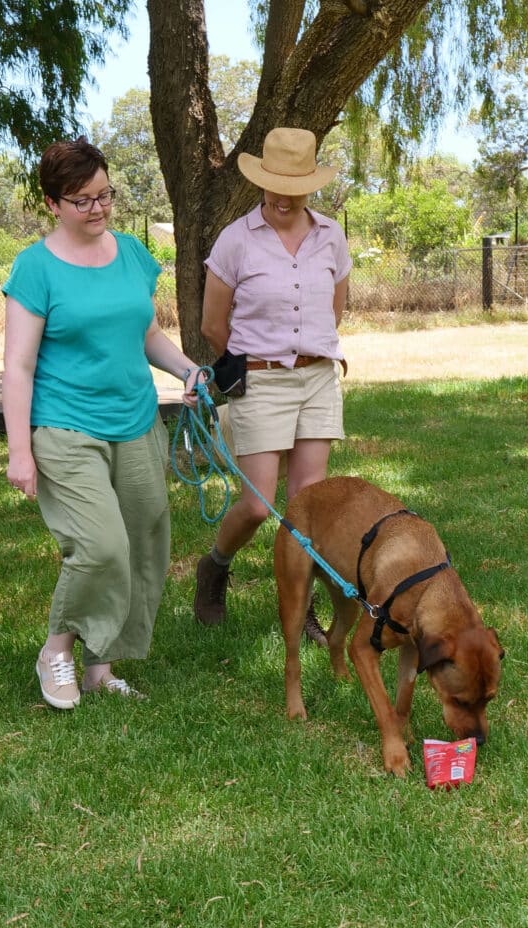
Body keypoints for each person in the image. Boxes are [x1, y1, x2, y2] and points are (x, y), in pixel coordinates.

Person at [2, 137, 200, 710]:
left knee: (143, 542)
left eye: (105, 195)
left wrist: (187, 371)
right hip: (64, 426)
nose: (98, 209)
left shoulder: (134, 254)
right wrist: (20, 451)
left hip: (136, 421)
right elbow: (18, 365)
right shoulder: (34, 267)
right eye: (83, 200)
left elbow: (144, 334)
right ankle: (56, 650)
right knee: (100, 546)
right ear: (53, 203)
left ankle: (100, 667)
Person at [193, 127, 351, 626]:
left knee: (308, 504)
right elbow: (212, 325)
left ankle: (301, 608)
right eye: (274, 184)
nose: (283, 196)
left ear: (310, 185)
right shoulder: (236, 239)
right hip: (260, 381)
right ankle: (215, 567)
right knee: (259, 505)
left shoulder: (330, 235)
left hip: (319, 378)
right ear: (261, 181)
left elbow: (334, 309)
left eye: (295, 185)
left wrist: (308, 355)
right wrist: (253, 362)